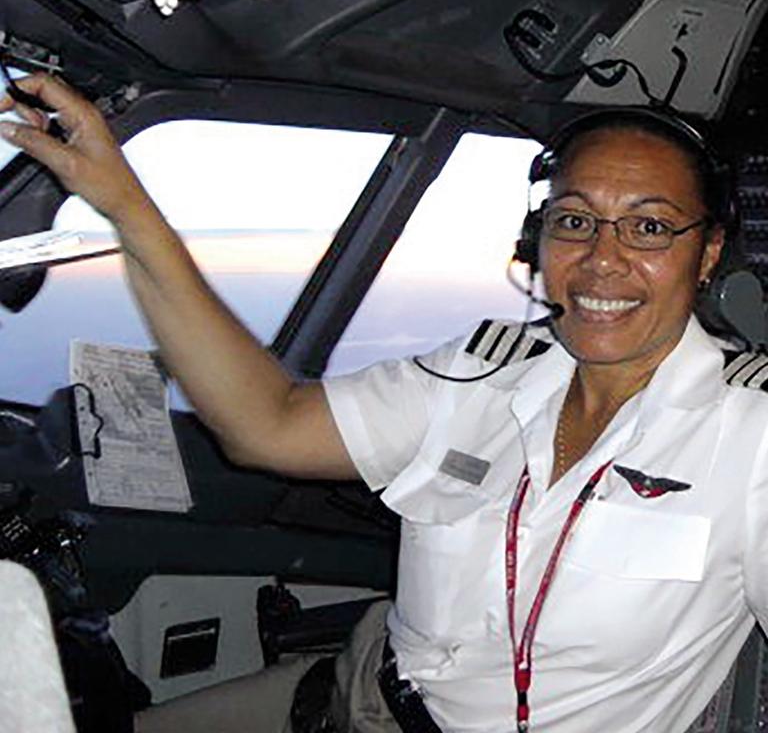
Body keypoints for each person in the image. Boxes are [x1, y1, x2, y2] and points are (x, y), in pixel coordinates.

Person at [1, 74, 767, 733]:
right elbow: (267, 424)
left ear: (705, 255)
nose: (603, 258)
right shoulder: (482, 369)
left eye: (649, 227)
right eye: (574, 221)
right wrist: (126, 206)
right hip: (363, 691)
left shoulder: (753, 434)